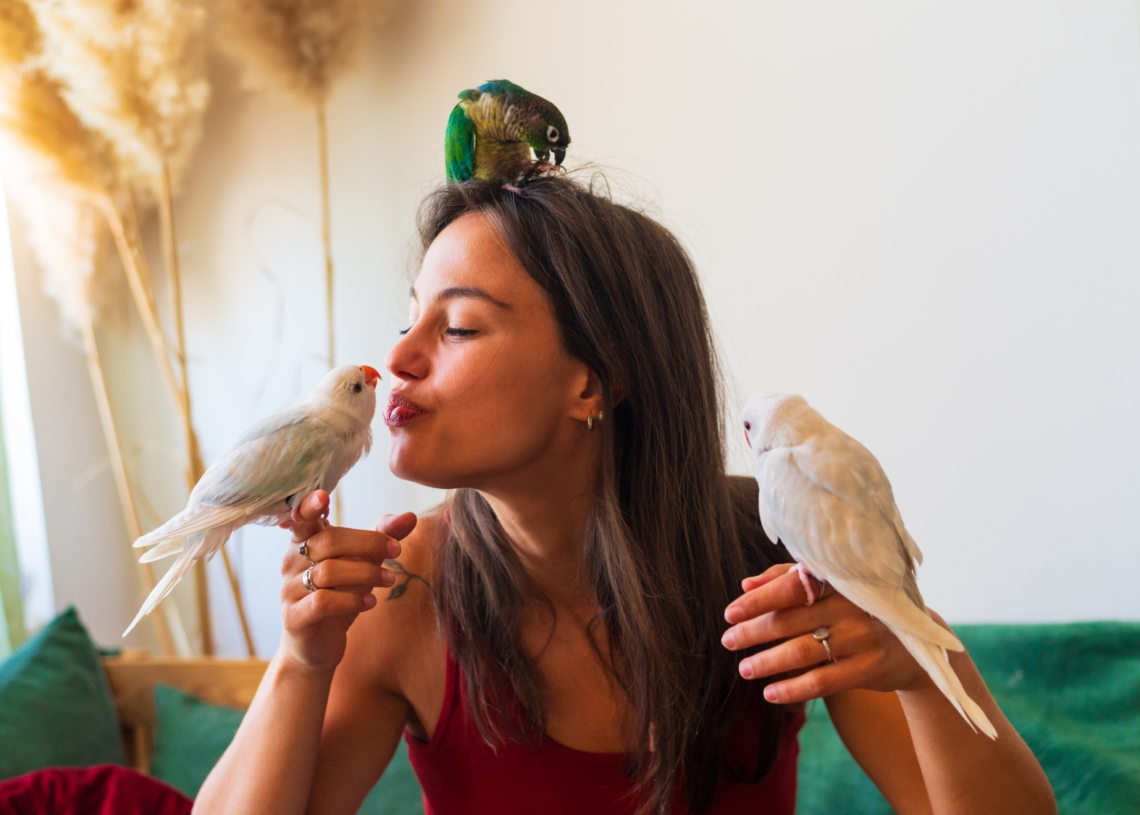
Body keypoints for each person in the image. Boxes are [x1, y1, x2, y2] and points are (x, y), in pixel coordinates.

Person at [194, 175, 1055, 814]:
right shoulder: (402, 587)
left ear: (594, 381)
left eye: (456, 325)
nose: (401, 355)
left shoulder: (776, 557)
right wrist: (305, 659)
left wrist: (918, 662)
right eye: (411, 313)